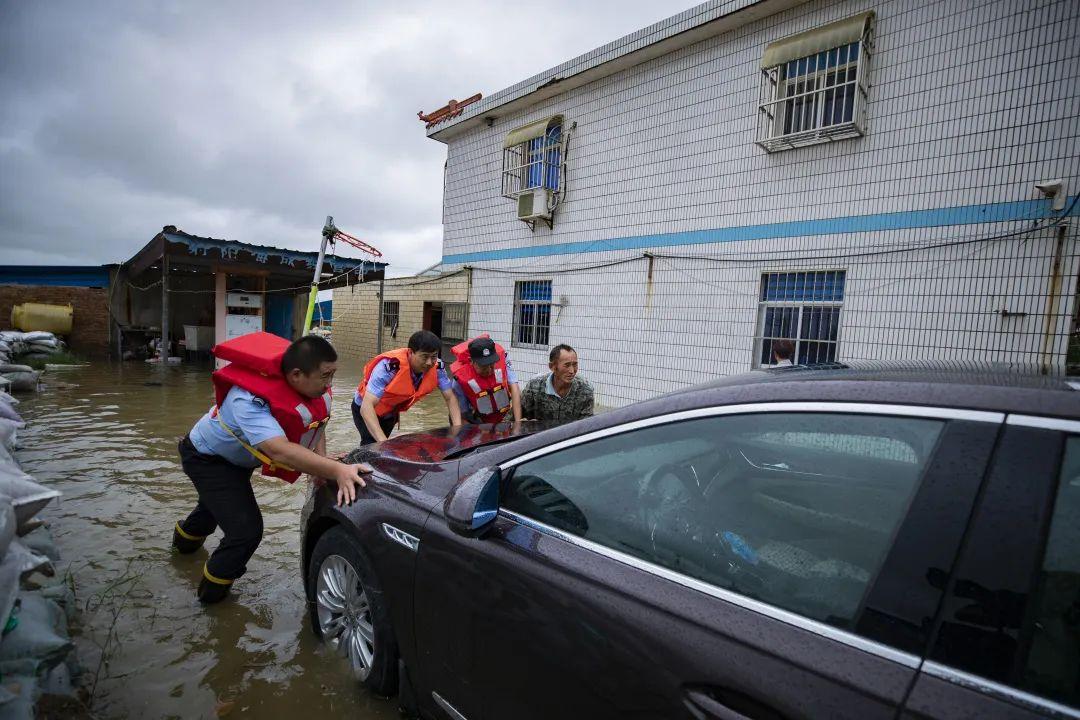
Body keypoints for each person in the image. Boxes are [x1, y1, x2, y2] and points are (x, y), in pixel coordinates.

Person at [173, 332, 371, 604]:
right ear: (297, 375)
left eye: (332, 375)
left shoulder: (316, 390)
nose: (330, 384)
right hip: (207, 459)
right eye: (325, 376)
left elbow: (315, 422)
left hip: (239, 460)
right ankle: (210, 600)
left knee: (211, 512)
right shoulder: (248, 400)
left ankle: (180, 551)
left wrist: (320, 464)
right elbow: (278, 449)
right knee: (245, 531)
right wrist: (336, 470)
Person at [353, 330, 462, 443]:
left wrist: (458, 430)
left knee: (382, 443)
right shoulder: (389, 368)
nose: (429, 362)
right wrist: (383, 443)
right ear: (410, 352)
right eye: (424, 357)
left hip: (390, 411)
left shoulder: (437, 367)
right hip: (365, 408)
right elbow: (366, 407)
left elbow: (450, 398)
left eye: (434, 356)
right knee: (372, 444)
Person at [449, 335, 522, 424]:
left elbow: (515, 388)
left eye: (491, 364)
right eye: (483, 366)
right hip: (479, 421)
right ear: (471, 361)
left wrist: (518, 423)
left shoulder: (504, 359)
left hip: (504, 416)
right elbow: (463, 414)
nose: (489, 370)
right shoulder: (459, 379)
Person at [521, 344, 593, 426]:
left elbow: (587, 427)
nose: (572, 371)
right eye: (567, 365)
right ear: (552, 367)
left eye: (575, 364)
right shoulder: (535, 386)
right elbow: (513, 417)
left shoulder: (585, 390)